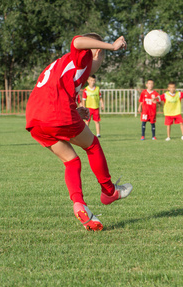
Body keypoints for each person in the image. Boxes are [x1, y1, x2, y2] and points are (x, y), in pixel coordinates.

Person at [25, 33, 132, 231]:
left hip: (35, 119)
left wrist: (75, 109)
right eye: (101, 56)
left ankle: (79, 204)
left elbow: (55, 88)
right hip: (55, 113)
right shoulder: (83, 57)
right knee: (92, 145)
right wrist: (112, 46)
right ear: (97, 51)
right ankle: (108, 191)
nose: (100, 62)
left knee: (71, 161)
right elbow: (76, 41)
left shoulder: (67, 66)